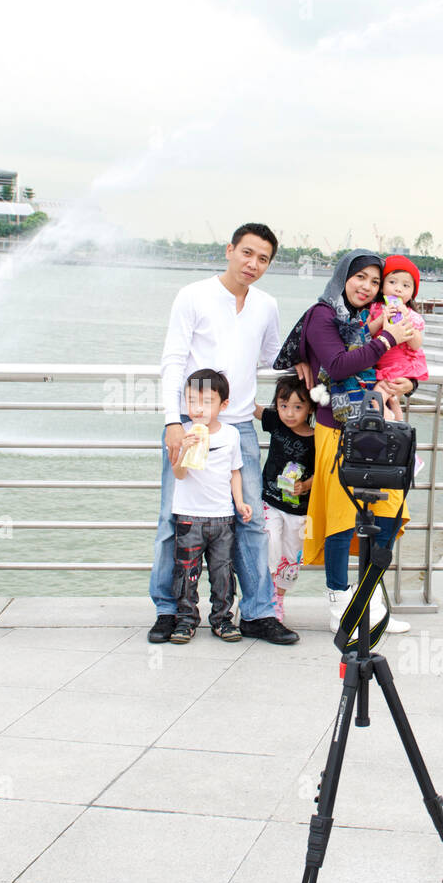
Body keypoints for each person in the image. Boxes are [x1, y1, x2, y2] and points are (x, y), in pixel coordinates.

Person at [149, 223, 298, 645]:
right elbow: (173, 360)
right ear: (230, 250)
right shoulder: (192, 295)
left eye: (263, 258)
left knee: (250, 520)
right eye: (247, 253)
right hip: (190, 424)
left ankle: (256, 613)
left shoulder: (266, 305)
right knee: (171, 518)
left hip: (238, 427)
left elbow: (271, 359)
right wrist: (171, 421)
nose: (253, 264)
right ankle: (167, 609)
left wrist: (305, 367)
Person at [276, 250, 416, 635]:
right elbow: (337, 365)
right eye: (361, 277)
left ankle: (368, 598)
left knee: (386, 512)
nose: (368, 287)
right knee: (342, 518)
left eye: (375, 281)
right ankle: (340, 602)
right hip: (337, 430)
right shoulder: (323, 314)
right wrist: (387, 338)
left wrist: (410, 381)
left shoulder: (364, 318)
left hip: (377, 427)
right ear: (343, 276)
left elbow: (397, 360)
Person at [169, 369, 252, 643]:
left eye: (207, 401)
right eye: (192, 401)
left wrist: (239, 502)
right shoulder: (184, 433)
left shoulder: (230, 435)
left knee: (223, 572)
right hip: (189, 516)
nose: (199, 408)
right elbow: (179, 474)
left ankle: (222, 620)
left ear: (223, 405)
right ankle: (186, 620)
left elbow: (235, 472)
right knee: (186, 571)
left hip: (222, 517)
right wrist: (184, 449)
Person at [252, 372, 316, 624]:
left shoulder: (317, 436)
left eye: (297, 407)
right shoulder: (275, 422)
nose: (289, 413)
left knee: (290, 556)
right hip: (270, 501)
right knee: (270, 544)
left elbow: (322, 473)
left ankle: (279, 598)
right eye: (283, 405)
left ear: (309, 407)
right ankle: (266, 598)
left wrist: (306, 486)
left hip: (300, 510)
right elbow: (253, 408)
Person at [366, 254, 428, 421]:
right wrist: (380, 319)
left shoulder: (412, 316)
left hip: (399, 365)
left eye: (405, 285)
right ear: (381, 286)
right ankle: (398, 422)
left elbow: (416, 345)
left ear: (412, 293)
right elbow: (367, 333)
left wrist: (406, 319)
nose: (398, 289)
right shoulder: (374, 308)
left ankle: (390, 422)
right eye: (392, 282)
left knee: (376, 396)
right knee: (392, 398)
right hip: (382, 364)